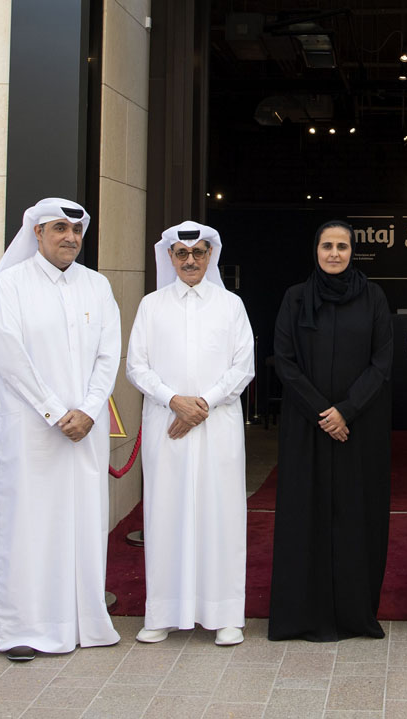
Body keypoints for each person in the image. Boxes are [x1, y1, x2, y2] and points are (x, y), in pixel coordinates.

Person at [0, 197, 121, 661]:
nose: (71, 238)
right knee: (28, 526)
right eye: (60, 228)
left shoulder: (97, 286)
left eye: (77, 231)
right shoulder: (11, 284)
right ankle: (21, 628)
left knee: (83, 523)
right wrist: (56, 411)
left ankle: (82, 621)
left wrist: (91, 409)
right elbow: (6, 351)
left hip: (85, 430)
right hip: (31, 432)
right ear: (37, 233)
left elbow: (107, 355)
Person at [126, 220, 254, 647]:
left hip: (217, 426)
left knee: (222, 516)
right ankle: (163, 613)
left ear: (210, 255)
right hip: (168, 426)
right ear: (170, 258)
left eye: (199, 253)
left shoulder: (230, 305)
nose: (191, 261)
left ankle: (225, 616)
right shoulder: (151, 305)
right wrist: (173, 399)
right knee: (165, 513)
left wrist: (203, 404)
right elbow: (136, 366)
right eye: (182, 254)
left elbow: (243, 366)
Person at [268, 220, 393, 641]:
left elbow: (382, 361)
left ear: (352, 251)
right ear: (315, 250)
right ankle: (303, 616)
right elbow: (284, 360)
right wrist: (325, 411)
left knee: (357, 517)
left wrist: (347, 410)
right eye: (327, 246)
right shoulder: (296, 297)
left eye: (342, 246)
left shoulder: (373, 296)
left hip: (360, 428)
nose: (334, 253)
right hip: (309, 427)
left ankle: (356, 615)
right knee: (307, 517)